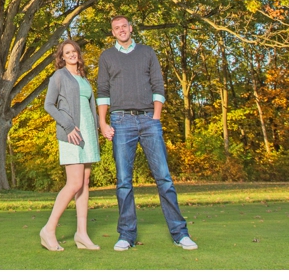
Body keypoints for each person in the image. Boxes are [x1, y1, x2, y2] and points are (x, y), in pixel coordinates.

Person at [96, 15, 198, 251]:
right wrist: (102, 122)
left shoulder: (147, 52)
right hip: (120, 121)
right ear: (112, 33)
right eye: (116, 28)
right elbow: (102, 91)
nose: (121, 30)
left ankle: (180, 233)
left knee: (163, 178)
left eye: (124, 26)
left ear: (131, 28)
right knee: (123, 182)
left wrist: (156, 117)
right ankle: (126, 235)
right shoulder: (107, 57)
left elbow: (158, 85)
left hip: (148, 119)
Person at [39, 39, 101, 252]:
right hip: (72, 134)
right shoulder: (59, 76)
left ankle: (82, 234)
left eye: (74, 51)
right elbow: (49, 105)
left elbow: (88, 105)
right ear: (62, 57)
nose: (72, 54)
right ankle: (48, 229)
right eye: (67, 52)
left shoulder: (83, 77)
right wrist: (68, 126)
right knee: (74, 183)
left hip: (87, 135)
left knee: (84, 182)